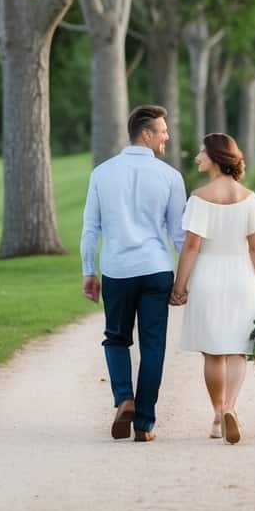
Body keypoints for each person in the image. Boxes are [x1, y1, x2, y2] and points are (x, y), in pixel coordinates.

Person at [80, 105, 186, 443]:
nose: (167, 135)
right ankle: (144, 423)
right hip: (156, 270)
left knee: (116, 338)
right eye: (163, 130)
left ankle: (124, 397)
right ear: (146, 134)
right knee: (153, 346)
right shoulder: (170, 177)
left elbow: (90, 228)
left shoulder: (102, 173)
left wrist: (88, 270)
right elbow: (180, 236)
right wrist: (184, 280)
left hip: (117, 270)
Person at [170, 132, 255, 445]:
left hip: (208, 278)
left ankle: (217, 415)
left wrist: (179, 286)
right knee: (238, 350)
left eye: (202, 152)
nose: (197, 157)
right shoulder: (249, 196)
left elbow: (191, 246)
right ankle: (231, 407)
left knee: (214, 353)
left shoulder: (200, 196)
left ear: (215, 158)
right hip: (242, 278)